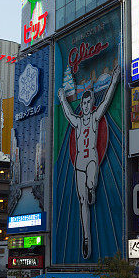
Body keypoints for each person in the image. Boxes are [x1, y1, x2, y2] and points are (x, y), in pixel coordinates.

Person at [57, 64, 120, 259]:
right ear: (82, 105)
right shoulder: (77, 121)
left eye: (88, 103)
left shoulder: (94, 118)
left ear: (91, 104)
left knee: (92, 182)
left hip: (92, 159)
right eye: (83, 104)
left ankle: (93, 188)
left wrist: (115, 79)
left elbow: (108, 100)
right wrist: (61, 98)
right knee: (83, 202)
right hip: (79, 164)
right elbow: (67, 113)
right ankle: (86, 238)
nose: (85, 106)